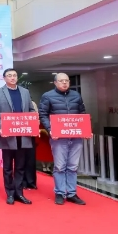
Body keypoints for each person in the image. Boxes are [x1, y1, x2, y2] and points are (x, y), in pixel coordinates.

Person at [39, 73, 89, 206]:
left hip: (75, 135)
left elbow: (82, 113)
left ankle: (72, 193)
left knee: (73, 166)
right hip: (58, 137)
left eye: (66, 81)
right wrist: (50, 129)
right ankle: (60, 192)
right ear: (55, 83)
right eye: (61, 81)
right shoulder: (47, 96)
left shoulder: (76, 95)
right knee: (60, 166)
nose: (64, 83)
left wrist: (85, 129)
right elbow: (43, 114)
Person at [0, 68, 35, 205]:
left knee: (20, 166)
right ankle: (10, 193)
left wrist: (32, 123)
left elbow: (31, 110)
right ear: (4, 78)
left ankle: (19, 193)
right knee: (8, 167)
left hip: (23, 134)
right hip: (7, 135)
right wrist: (1, 127)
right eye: (9, 75)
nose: (12, 77)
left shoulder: (25, 92)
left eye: (14, 75)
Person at [22, 100, 40, 190]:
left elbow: (37, 117)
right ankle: (22, 182)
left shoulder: (32, 104)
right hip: (18, 133)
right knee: (20, 159)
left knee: (30, 159)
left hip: (30, 133)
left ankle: (31, 181)